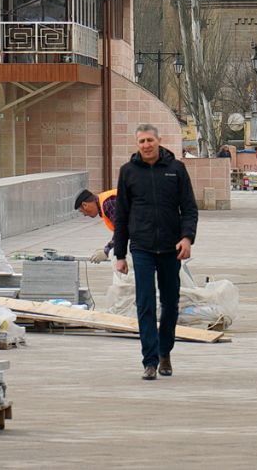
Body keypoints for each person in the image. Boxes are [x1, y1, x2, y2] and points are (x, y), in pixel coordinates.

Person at [113, 124, 199, 381]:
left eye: (150, 140)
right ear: (137, 144)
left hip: (172, 248)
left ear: (159, 141)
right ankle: (149, 361)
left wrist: (187, 238)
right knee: (145, 303)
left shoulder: (176, 169)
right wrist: (120, 255)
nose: (146, 145)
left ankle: (165, 353)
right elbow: (122, 216)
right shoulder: (128, 172)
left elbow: (189, 209)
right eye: (141, 141)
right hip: (141, 247)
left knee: (170, 304)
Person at [74, 187, 117, 263]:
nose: (84, 215)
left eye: (82, 211)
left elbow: (123, 230)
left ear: (85, 205)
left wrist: (106, 251)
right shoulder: (105, 202)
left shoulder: (108, 203)